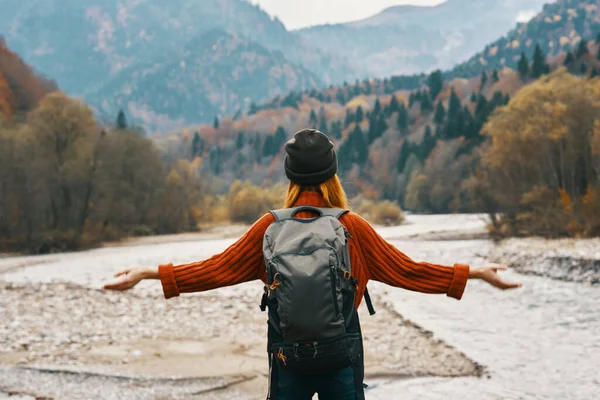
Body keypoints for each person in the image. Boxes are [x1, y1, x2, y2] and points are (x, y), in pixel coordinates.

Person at [104, 129, 521, 399]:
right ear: (332, 175)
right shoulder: (352, 227)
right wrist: (478, 273)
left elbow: (214, 269)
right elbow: (410, 272)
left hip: (288, 357)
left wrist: (147, 273)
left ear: (289, 177)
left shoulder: (269, 228)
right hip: (342, 354)